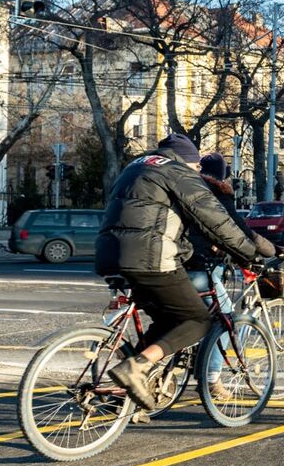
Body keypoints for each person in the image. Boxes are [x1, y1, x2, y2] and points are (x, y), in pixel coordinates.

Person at [96, 133, 260, 411]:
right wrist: (252, 253)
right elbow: (217, 222)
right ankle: (137, 369)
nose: (198, 170)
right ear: (188, 162)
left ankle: (128, 390)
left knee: (168, 321)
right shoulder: (178, 172)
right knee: (198, 321)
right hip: (148, 258)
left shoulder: (136, 166)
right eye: (197, 166)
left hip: (107, 254)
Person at [186, 153, 276, 401]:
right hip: (200, 266)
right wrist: (268, 251)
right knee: (225, 319)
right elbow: (235, 230)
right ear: (222, 177)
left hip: (174, 262)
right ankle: (213, 379)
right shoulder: (218, 195)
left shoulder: (186, 189)